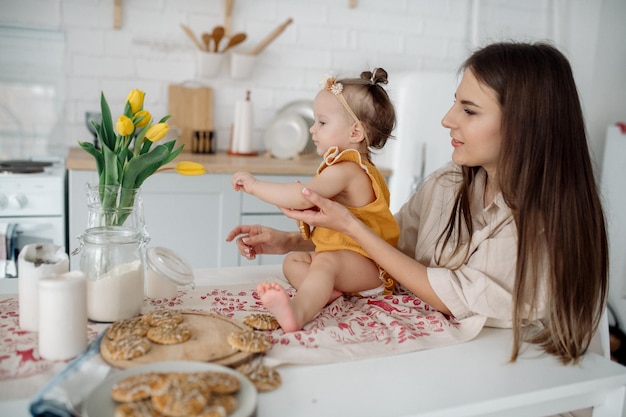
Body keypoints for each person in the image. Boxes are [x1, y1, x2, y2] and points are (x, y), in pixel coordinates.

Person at [227, 41, 609, 365]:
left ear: (526, 124)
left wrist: (347, 224)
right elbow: (392, 243)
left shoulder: (538, 225)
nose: (447, 119)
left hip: (516, 376)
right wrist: (293, 241)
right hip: (451, 362)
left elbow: (450, 295)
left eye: (469, 110)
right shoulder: (448, 183)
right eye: (454, 103)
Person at [230, 68, 400, 332]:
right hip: (348, 264)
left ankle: (297, 313)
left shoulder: (348, 170)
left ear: (355, 132)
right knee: (293, 261)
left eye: (322, 122)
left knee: (325, 262)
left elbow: (302, 198)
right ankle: (326, 293)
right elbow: (303, 203)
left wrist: (255, 186)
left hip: (369, 267)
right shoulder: (343, 167)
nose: (312, 129)